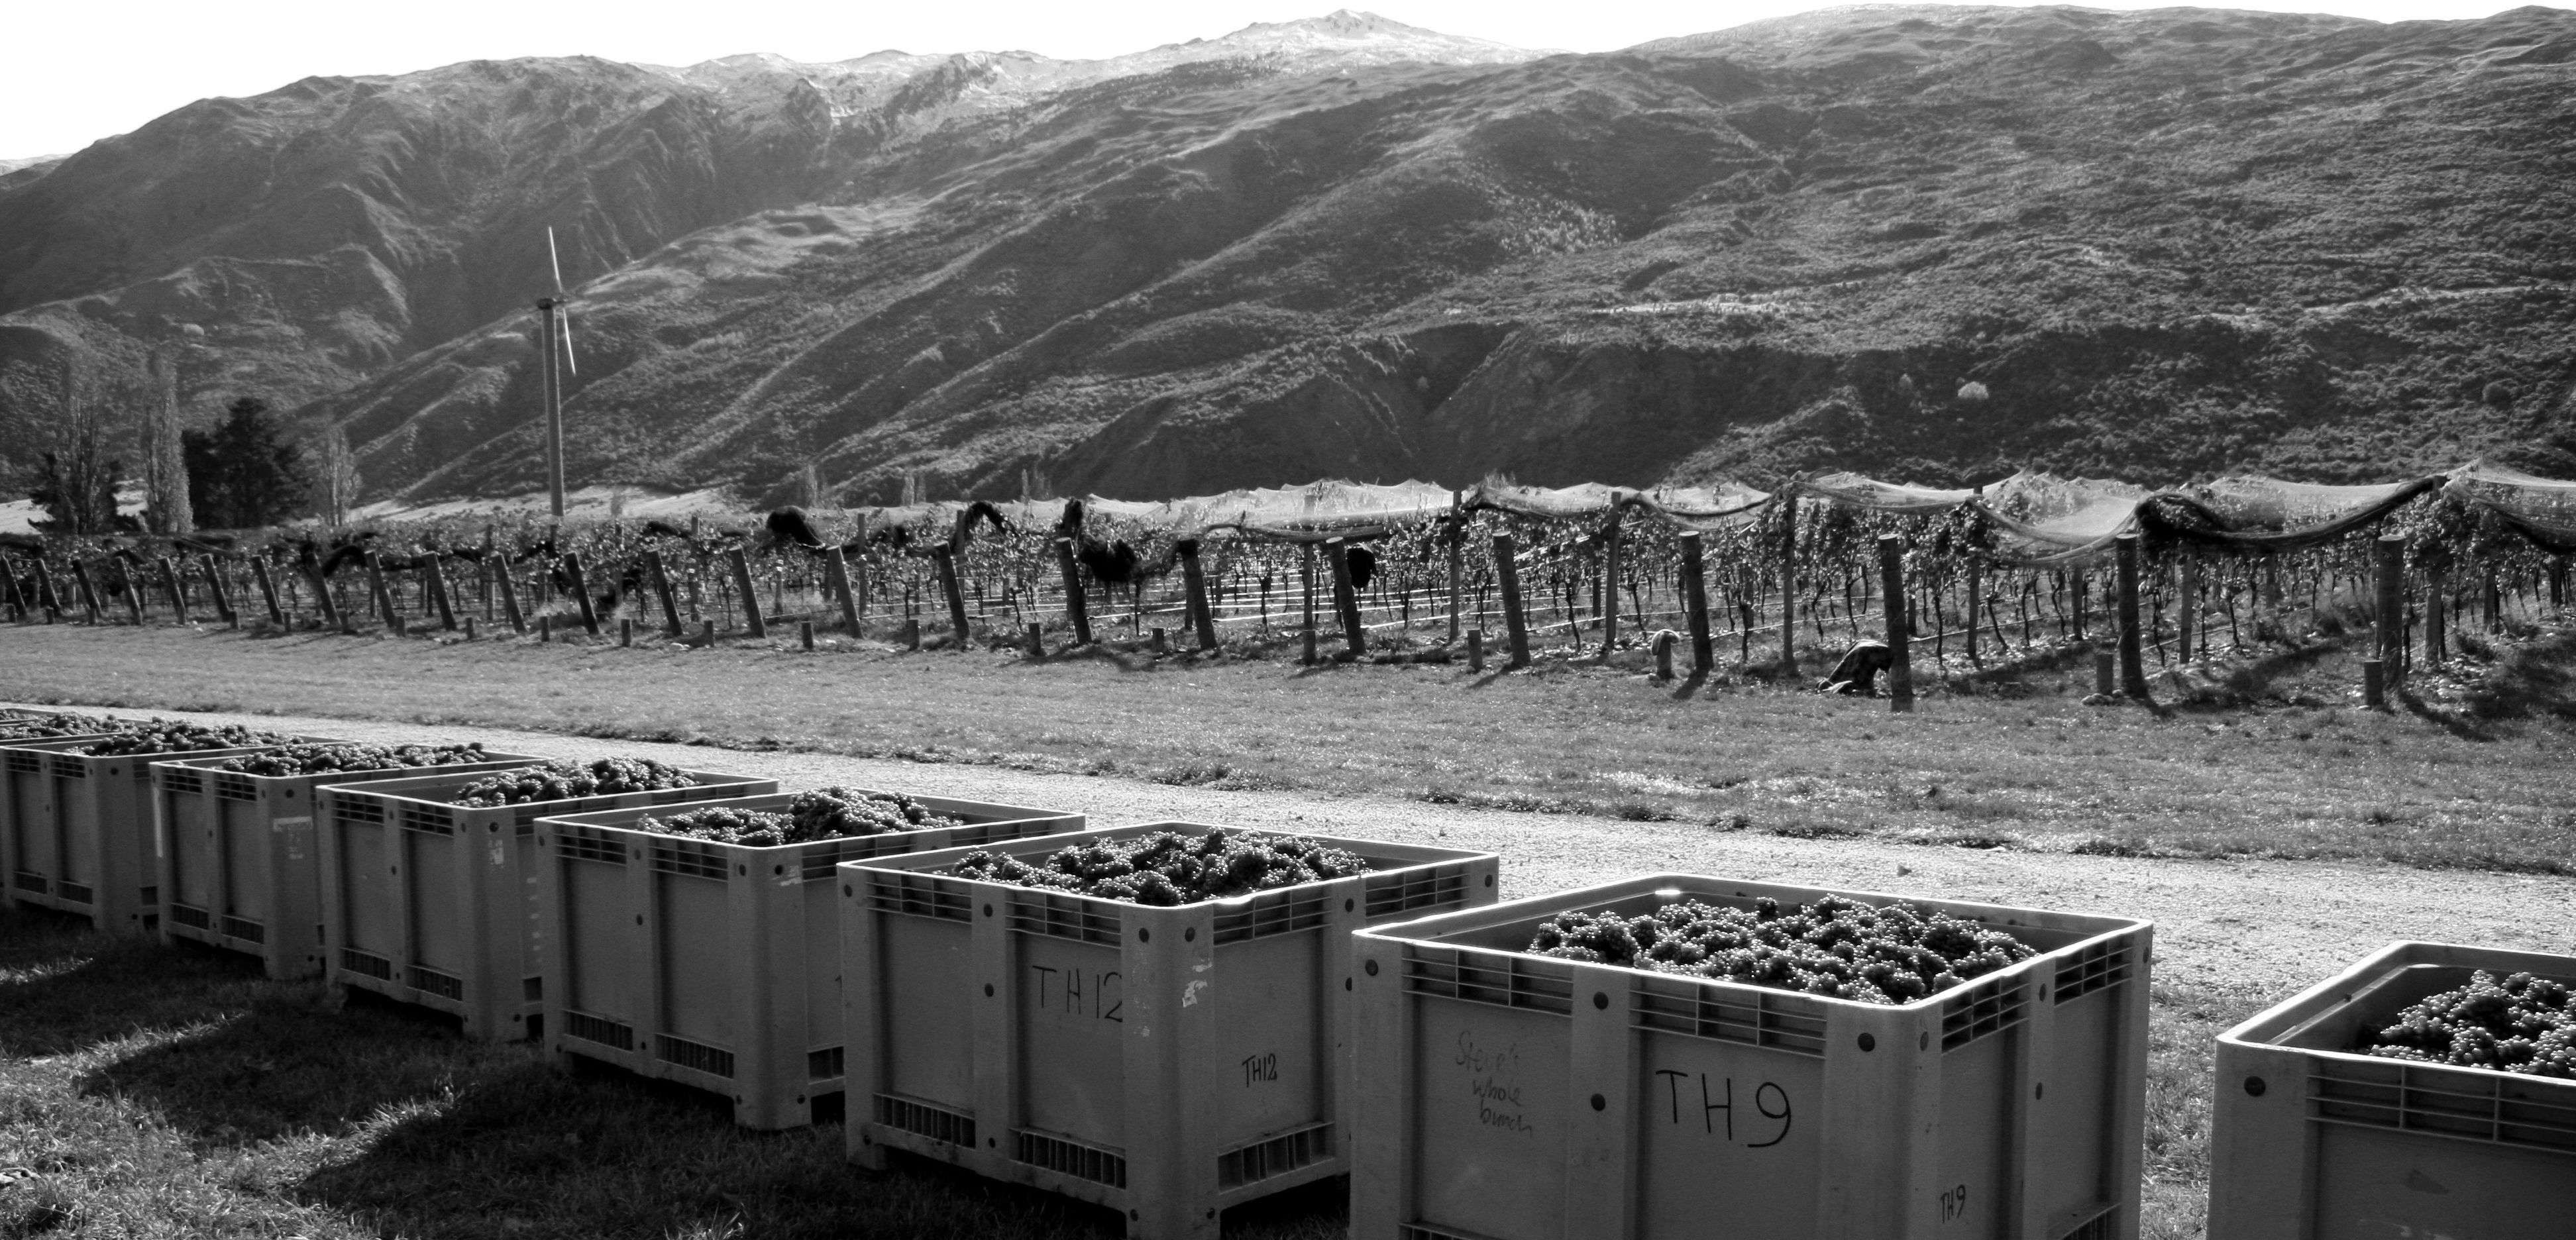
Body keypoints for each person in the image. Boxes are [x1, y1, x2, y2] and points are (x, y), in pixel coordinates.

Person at [1820, 640, 1892, 696]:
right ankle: (1859, 687)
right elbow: (1888, 673)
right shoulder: (1887, 653)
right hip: (1872, 650)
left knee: (1857, 675)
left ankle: (1853, 686)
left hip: (1861, 647)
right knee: (1859, 679)